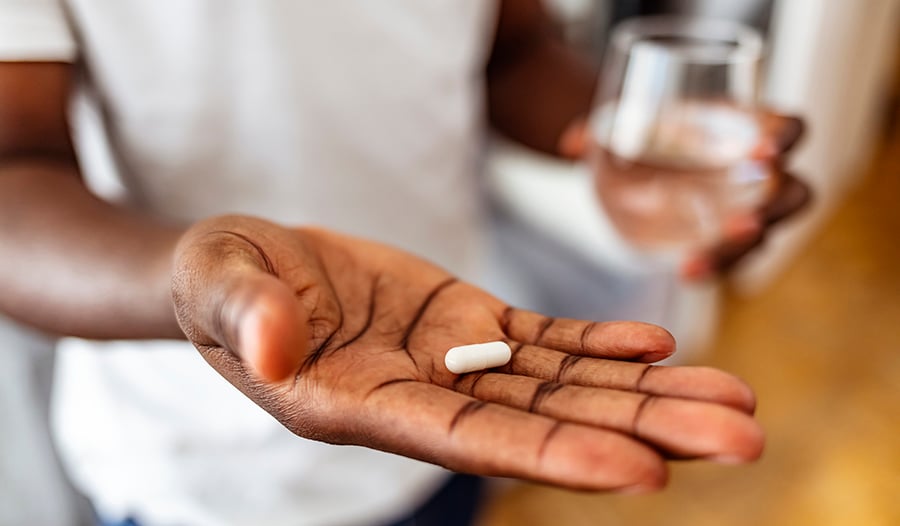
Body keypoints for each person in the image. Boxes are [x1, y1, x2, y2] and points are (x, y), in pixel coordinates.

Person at [0, 1, 808, 525]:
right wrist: (192, 284)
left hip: (446, 400)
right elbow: (13, 176)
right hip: (201, 470)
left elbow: (510, 52)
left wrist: (639, 136)